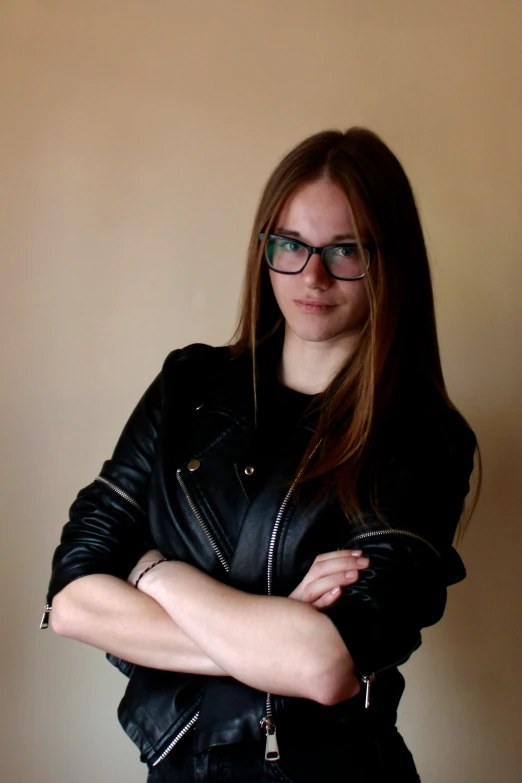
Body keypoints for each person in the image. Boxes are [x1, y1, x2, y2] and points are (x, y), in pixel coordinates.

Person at [42, 127, 479, 782]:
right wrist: (274, 634)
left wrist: (156, 572)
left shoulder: (421, 437)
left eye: (345, 249)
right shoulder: (187, 385)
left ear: (390, 258)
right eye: (291, 245)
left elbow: (326, 666)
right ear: (264, 248)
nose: (313, 274)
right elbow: (73, 598)